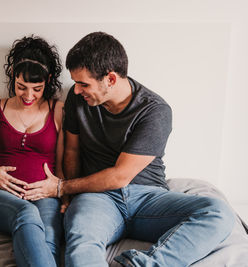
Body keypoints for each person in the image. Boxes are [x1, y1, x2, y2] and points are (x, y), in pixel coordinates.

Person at [23, 32, 235, 267]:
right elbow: (72, 151)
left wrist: (62, 186)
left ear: (110, 79)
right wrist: (71, 195)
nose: (75, 90)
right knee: (82, 240)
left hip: (147, 198)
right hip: (97, 199)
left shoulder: (155, 111)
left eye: (84, 84)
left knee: (219, 213)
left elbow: (120, 175)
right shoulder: (78, 100)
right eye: (76, 83)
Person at [0, 35, 64, 267]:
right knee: (26, 214)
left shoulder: (58, 110)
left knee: (50, 240)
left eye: (37, 89)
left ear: (48, 81)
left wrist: (58, 190)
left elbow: (61, 167)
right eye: (21, 87)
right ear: (13, 76)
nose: (28, 96)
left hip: (43, 195)